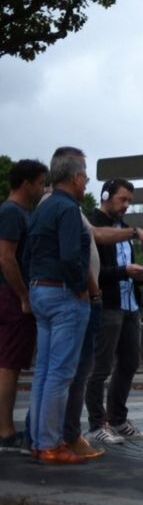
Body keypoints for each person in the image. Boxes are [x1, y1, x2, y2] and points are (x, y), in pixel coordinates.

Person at [24, 147, 92, 463]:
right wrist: (80, 288)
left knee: (44, 372)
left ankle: (39, 441)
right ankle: (51, 443)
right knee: (60, 374)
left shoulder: (43, 208)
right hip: (64, 295)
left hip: (40, 290)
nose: (87, 182)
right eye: (85, 177)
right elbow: (70, 256)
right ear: (75, 177)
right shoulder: (66, 209)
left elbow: (26, 254)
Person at [86, 178, 143, 443]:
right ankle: (96, 423)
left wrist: (138, 274)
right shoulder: (93, 224)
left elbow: (126, 264)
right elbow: (94, 272)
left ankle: (118, 418)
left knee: (130, 362)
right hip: (107, 304)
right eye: (122, 199)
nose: (126, 205)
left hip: (129, 305)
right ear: (105, 196)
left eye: (129, 202)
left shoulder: (123, 227)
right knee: (100, 368)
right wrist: (124, 271)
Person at [0, 159, 48, 453]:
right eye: (41, 182)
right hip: (10, 296)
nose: (42, 188)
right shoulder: (12, 213)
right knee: (9, 365)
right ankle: (5, 430)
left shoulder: (18, 213)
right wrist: (23, 296)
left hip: (10, 294)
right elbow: (6, 256)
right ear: (27, 183)